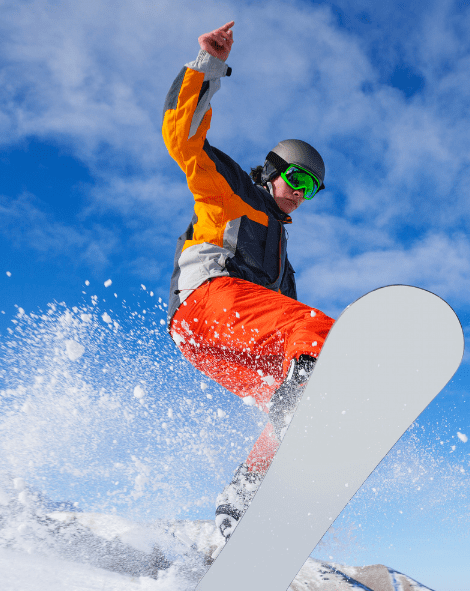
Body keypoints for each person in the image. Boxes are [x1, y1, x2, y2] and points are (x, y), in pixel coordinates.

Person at [161, 21, 334, 546]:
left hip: (210, 343)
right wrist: (205, 67)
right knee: (316, 332)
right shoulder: (234, 191)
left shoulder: (283, 268)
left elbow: (278, 323)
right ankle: (308, 384)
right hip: (206, 303)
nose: (301, 195)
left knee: (288, 412)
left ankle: (242, 496)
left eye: (313, 190)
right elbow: (184, 139)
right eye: (298, 180)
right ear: (272, 170)